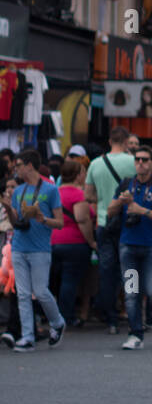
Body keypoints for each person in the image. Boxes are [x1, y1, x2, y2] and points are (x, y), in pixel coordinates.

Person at [1, 150, 66, 351]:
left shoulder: (50, 190)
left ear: (30, 166)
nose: (16, 168)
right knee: (22, 294)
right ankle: (27, 336)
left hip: (40, 248)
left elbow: (60, 223)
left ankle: (57, 322)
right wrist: (9, 209)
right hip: (19, 246)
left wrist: (43, 219)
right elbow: (16, 222)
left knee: (40, 291)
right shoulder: (18, 191)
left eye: (19, 164)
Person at [107, 146, 152, 350]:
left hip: (151, 247)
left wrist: (141, 210)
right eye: (137, 160)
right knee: (131, 292)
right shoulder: (126, 183)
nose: (140, 163)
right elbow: (109, 211)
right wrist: (121, 202)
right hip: (128, 246)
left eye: (145, 160)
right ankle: (136, 334)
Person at [85, 126, 136, 334]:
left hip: (104, 221)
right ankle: (133, 314)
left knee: (106, 271)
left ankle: (111, 318)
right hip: (128, 222)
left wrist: (104, 200)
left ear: (109, 141)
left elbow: (88, 195)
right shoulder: (133, 162)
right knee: (131, 269)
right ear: (125, 142)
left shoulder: (95, 164)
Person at [51, 156, 97, 326]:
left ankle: (51, 315)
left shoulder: (53, 192)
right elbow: (83, 220)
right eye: (83, 172)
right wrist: (91, 242)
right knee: (69, 281)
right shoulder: (79, 195)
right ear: (77, 175)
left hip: (54, 241)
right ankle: (66, 316)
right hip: (74, 242)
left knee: (55, 280)